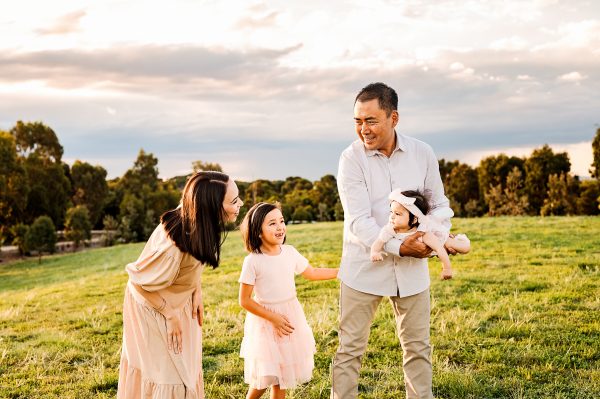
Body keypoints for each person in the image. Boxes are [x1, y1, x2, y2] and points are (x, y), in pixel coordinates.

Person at [332, 82, 453, 399]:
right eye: (358, 121)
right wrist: (400, 246)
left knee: (418, 349)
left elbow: (438, 203)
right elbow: (359, 221)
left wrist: (432, 236)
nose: (363, 130)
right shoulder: (350, 159)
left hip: (413, 272)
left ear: (393, 118)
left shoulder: (422, 153)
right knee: (349, 351)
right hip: (363, 266)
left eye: (370, 121)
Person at [117, 171, 243, 399]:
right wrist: (170, 314)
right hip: (153, 306)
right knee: (171, 377)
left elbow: (194, 260)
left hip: (178, 301)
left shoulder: (199, 220)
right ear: (212, 206)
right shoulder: (173, 249)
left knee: (187, 369)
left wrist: (196, 289)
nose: (240, 204)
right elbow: (138, 285)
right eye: (234, 201)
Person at [238, 202, 339, 399]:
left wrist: (339, 272)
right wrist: (272, 318)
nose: (280, 227)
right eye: (272, 223)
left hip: (290, 316)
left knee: (282, 374)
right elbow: (244, 300)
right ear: (257, 231)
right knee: (265, 376)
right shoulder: (253, 261)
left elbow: (312, 273)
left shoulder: (290, 252)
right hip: (266, 322)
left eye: (281, 221)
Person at [370, 189, 471, 280]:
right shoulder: (390, 229)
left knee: (464, 248)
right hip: (427, 250)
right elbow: (379, 241)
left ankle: (458, 239)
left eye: (397, 214)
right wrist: (374, 252)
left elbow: (439, 248)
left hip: (438, 241)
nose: (391, 217)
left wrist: (446, 269)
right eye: (391, 212)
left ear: (414, 219)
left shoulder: (423, 233)